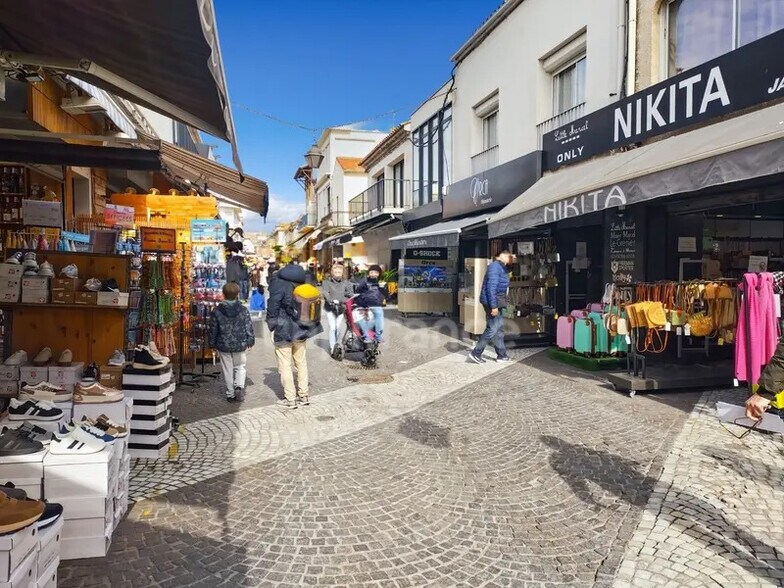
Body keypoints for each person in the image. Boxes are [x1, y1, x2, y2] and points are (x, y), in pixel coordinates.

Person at [267, 263, 323, 409]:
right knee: (301, 362)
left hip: (283, 328)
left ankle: (290, 398)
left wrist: (271, 325)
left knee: (285, 364)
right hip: (301, 327)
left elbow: (273, 306)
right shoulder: (304, 283)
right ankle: (304, 395)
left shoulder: (278, 284)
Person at [208, 282, 255, 402]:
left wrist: (212, 343)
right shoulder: (243, 310)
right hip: (240, 343)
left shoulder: (217, 311)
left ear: (223, 294)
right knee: (240, 366)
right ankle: (239, 385)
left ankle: (230, 393)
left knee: (227, 369)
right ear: (237, 294)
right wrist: (250, 340)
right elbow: (248, 326)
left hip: (223, 343)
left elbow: (213, 329)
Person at [469, 251, 514, 364]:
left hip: (498, 302)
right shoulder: (495, 267)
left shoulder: (501, 268)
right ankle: (476, 352)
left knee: (499, 329)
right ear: (501, 256)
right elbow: (491, 288)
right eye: (508, 256)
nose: (510, 258)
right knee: (492, 329)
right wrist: (493, 306)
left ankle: (501, 355)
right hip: (492, 302)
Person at [321, 264, 355, 357]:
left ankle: (338, 344)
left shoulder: (346, 283)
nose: (337, 274)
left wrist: (348, 298)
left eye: (339, 272)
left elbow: (350, 294)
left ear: (342, 273)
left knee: (338, 327)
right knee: (332, 328)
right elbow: (325, 293)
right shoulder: (326, 282)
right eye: (335, 272)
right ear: (332, 272)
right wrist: (331, 301)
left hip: (341, 308)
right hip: (330, 308)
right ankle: (333, 348)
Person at [355, 264, 387, 344]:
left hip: (375, 304)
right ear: (369, 273)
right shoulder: (364, 281)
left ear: (379, 273)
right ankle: (367, 336)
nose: (373, 274)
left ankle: (377, 336)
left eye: (376, 272)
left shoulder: (380, 282)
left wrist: (383, 288)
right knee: (363, 318)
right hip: (364, 303)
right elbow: (357, 290)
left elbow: (386, 295)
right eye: (372, 272)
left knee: (378, 317)